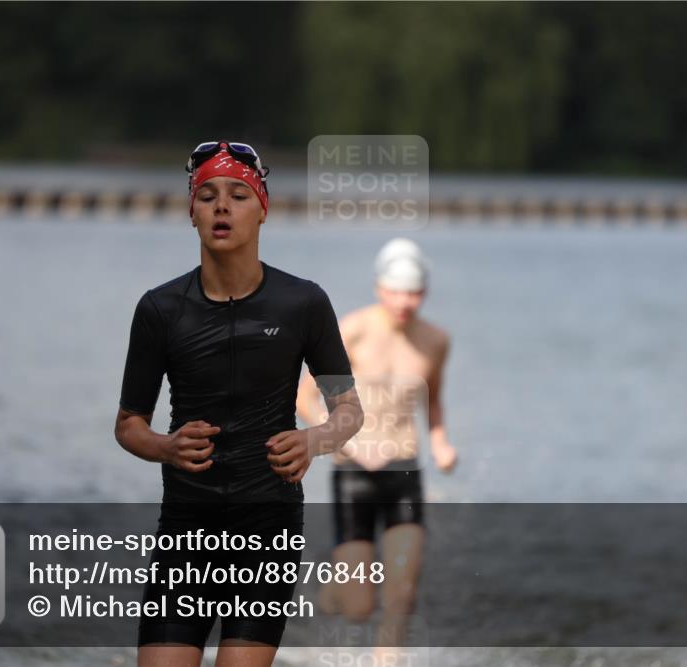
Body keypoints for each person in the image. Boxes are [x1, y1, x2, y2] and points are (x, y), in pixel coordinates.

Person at [114, 141, 364, 667]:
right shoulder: (160, 309)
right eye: (206, 196)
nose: (221, 207)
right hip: (186, 527)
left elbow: (349, 409)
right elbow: (128, 424)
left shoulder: (304, 303)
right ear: (192, 213)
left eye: (237, 196)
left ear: (262, 209)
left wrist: (313, 439)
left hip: (267, 528)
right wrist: (165, 446)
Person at [295, 237, 458, 654]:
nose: (405, 301)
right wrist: (344, 441)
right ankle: (333, 589)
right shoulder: (352, 329)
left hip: (404, 471)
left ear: (425, 292)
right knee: (357, 608)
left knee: (401, 596)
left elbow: (433, 399)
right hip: (354, 473)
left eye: (415, 292)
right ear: (379, 288)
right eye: (397, 290)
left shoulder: (436, 340)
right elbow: (305, 399)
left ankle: (387, 663)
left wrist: (440, 442)